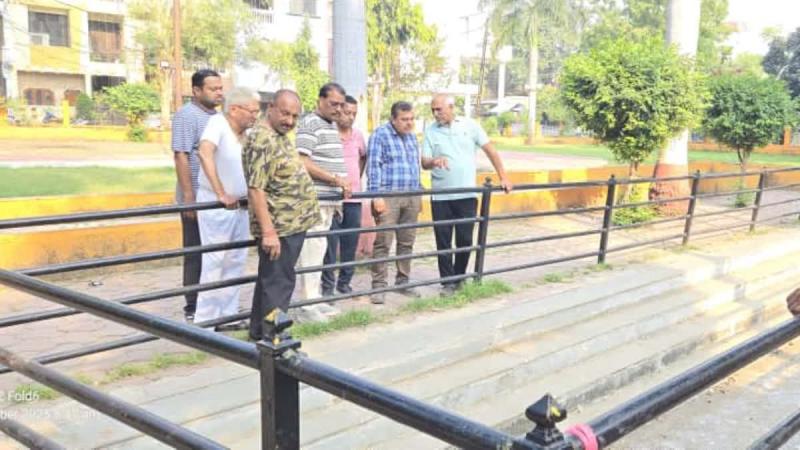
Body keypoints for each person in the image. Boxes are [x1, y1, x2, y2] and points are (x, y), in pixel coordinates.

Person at [243, 89, 321, 341]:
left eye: (295, 116)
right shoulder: (261, 140)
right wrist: (268, 232)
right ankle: (273, 340)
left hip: (291, 225)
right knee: (278, 283)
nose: (289, 121)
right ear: (271, 109)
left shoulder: (279, 136)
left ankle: (260, 334)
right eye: (285, 113)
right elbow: (256, 188)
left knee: (273, 281)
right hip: (279, 227)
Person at [421, 94, 513, 296]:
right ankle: (448, 283)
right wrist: (434, 161)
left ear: (451, 107)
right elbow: (424, 162)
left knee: (465, 239)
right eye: (433, 110)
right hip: (441, 196)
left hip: (466, 195)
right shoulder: (430, 131)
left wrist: (503, 177)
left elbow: (491, 151)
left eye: (439, 109)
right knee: (443, 241)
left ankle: (459, 277)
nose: (435, 114)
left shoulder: (470, 126)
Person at [194, 87, 260, 329]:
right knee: (215, 261)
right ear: (234, 109)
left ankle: (228, 315)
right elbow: (204, 153)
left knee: (235, 261)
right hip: (217, 205)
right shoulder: (217, 123)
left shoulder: (247, 134)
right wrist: (220, 192)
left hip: (241, 206)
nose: (255, 116)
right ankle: (206, 321)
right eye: (252, 111)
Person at [171, 69, 224, 322]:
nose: (219, 93)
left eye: (220, 88)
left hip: (215, 196)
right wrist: (189, 197)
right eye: (213, 89)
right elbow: (181, 155)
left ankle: (214, 303)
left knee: (216, 252)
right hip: (195, 196)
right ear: (196, 90)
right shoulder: (187, 115)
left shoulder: (218, 118)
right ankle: (192, 306)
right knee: (195, 252)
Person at [367, 101, 431, 304]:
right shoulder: (380, 135)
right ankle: (378, 286)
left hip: (411, 195)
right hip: (389, 196)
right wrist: (376, 196)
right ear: (393, 119)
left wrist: (418, 192)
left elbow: (414, 166)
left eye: (411, 119)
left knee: (407, 241)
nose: (409, 123)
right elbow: (374, 166)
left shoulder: (412, 137)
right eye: (404, 119)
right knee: (383, 242)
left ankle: (403, 281)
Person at [295, 82, 351, 316]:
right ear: (320, 100)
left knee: (319, 251)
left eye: (341, 105)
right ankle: (307, 305)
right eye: (333, 104)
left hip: (329, 201)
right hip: (315, 199)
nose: (338, 109)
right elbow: (302, 161)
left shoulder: (330, 125)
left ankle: (314, 298)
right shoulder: (310, 123)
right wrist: (335, 180)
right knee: (311, 251)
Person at [321, 95, 366, 296]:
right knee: (330, 244)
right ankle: (327, 286)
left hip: (353, 198)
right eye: (348, 112)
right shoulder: (328, 134)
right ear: (339, 111)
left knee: (350, 242)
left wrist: (355, 179)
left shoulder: (358, 136)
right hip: (332, 197)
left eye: (354, 114)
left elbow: (363, 158)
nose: (351, 117)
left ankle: (345, 282)